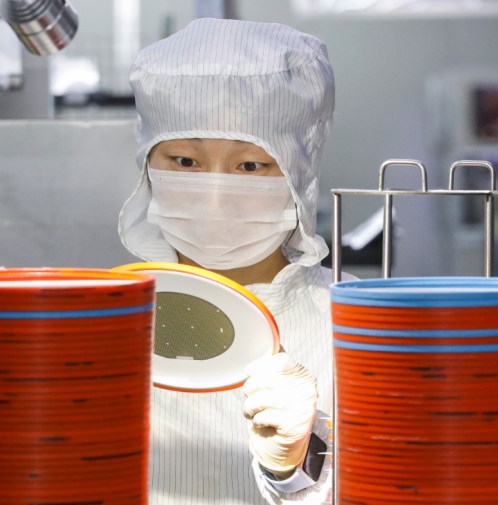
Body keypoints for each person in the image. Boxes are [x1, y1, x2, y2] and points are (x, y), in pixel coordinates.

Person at [117, 17, 353, 505]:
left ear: (297, 173)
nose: (216, 192)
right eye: (185, 162)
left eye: (250, 165)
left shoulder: (353, 325)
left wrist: (292, 473)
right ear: (147, 167)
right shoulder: (104, 320)